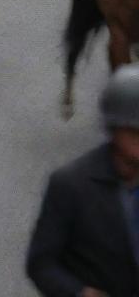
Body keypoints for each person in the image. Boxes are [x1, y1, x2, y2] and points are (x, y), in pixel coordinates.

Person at [26, 65, 139, 296]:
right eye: (135, 131)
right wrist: (79, 292)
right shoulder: (70, 185)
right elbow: (41, 264)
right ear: (114, 128)